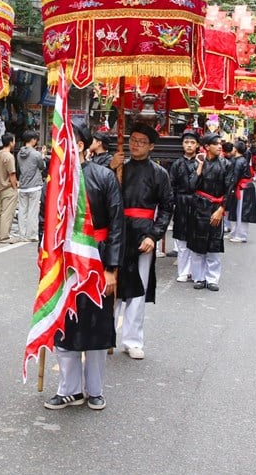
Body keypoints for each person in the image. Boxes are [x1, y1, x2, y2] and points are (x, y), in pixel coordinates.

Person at [41, 119, 123, 411]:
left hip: (96, 260)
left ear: (80, 145)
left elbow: (116, 226)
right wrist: (45, 262)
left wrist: (111, 268)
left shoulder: (104, 177)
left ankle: (95, 389)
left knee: (96, 328)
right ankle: (69, 389)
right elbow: (45, 222)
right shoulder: (54, 181)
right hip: (63, 263)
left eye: (68, 140)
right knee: (64, 326)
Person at [109, 124, 173, 360]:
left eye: (141, 141)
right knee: (112, 284)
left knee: (137, 288)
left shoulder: (159, 174)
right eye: (133, 140)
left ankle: (133, 340)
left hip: (143, 234)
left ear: (151, 146)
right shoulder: (119, 168)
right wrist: (110, 168)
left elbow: (167, 207)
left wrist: (153, 235)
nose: (135, 144)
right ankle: (106, 335)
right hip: (118, 232)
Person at [186, 133, 235, 292]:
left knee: (214, 244)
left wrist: (222, 209)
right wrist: (199, 167)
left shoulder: (227, 164)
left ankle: (212, 278)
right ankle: (198, 277)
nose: (220, 146)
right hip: (199, 206)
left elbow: (229, 189)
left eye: (220, 144)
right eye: (216, 144)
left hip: (216, 206)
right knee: (197, 244)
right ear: (207, 146)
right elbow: (191, 186)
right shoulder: (197, 163)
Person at [170, 130, 200, 281]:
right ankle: (183, 271)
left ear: (197, 145)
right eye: (186, 142)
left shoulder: (201, 163)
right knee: (181, 239)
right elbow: (171, 186)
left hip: (197, 202)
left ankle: (195, 271)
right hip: (181, 202)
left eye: (192, 143)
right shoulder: (177, 164)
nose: (189, 145)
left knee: (194, 237)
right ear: (182, 145)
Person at [16, 130, 45, 241]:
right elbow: (42, 166)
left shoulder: (19, 154)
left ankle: (22, 234)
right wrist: (42, 155)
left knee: (22, 210)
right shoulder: (36, 154)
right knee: (33, 211)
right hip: (34, 186)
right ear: (33, 140)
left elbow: (19, 169)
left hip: (23, 185)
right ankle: (31, 234)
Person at [226, 141, 256, 242]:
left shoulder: (239, 161)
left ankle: (241, 235)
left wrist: (228, 188)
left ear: (236, 149)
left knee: (242, 212)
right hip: (240, 187)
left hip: (244, 188)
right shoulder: (237, 159)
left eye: (233, 147)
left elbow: (235, 177)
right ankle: (234, 232)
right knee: (235, 210)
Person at [0, 133, 19, 243]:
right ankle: (4, 236)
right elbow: (12, 174)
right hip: (7, 187)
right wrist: (15, 187)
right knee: (7, 212)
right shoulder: (9, 156)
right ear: (11, 142)